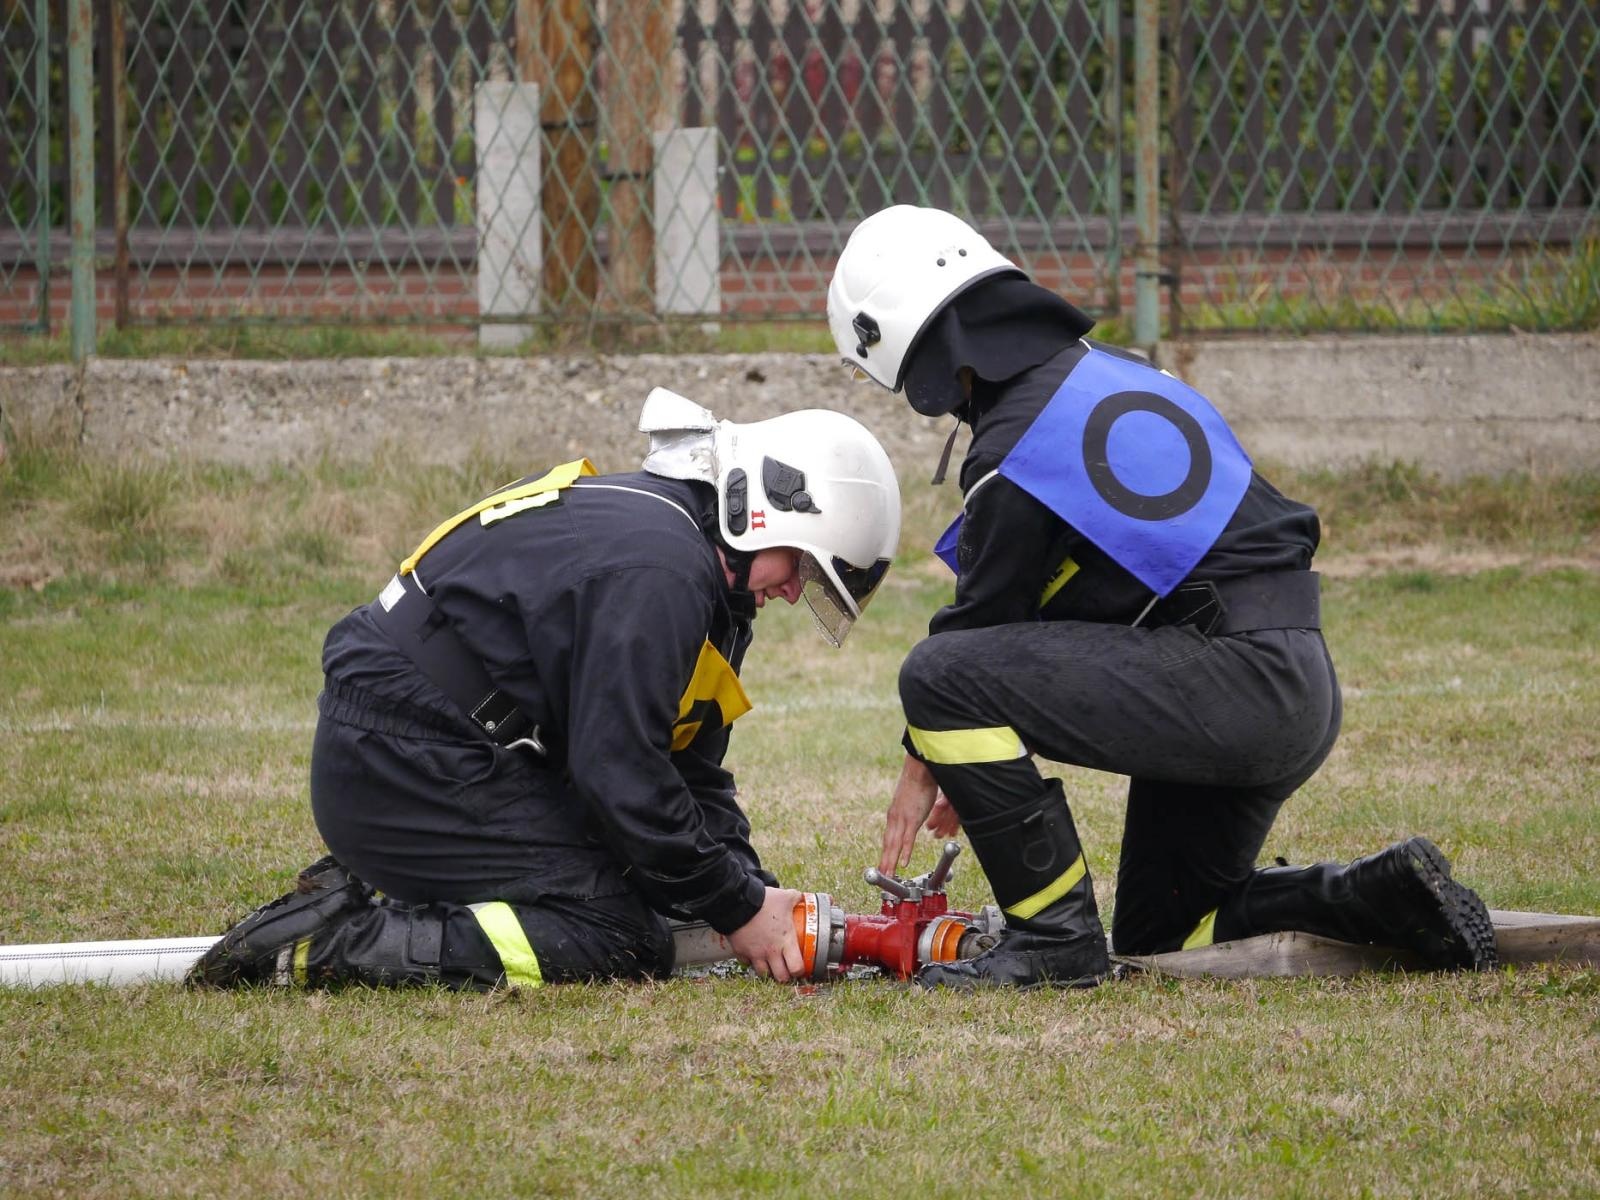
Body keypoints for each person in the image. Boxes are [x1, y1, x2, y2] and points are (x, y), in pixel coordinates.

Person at [825, 205, 1497, 989]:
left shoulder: (1015, 446)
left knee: (934, 675)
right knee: (1164, 934)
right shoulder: (1118, 372)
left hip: (1230, 681)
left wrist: (925, 762)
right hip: (1289, 677)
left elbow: (977, 638)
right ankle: (1361, 897)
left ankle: (1051, 944)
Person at [190, 389, 900, 990]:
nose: (791, 592)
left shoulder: (689, 565)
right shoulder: (661, 572)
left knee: (663, 892)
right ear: (769, 505)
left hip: (427, 750)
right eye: (803, 567)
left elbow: (688, 767)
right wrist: (739, 907)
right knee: (619, 934)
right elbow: (621, 773)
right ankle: (331, 945)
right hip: (400, 765)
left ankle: (399, 887)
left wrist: (749, 889)